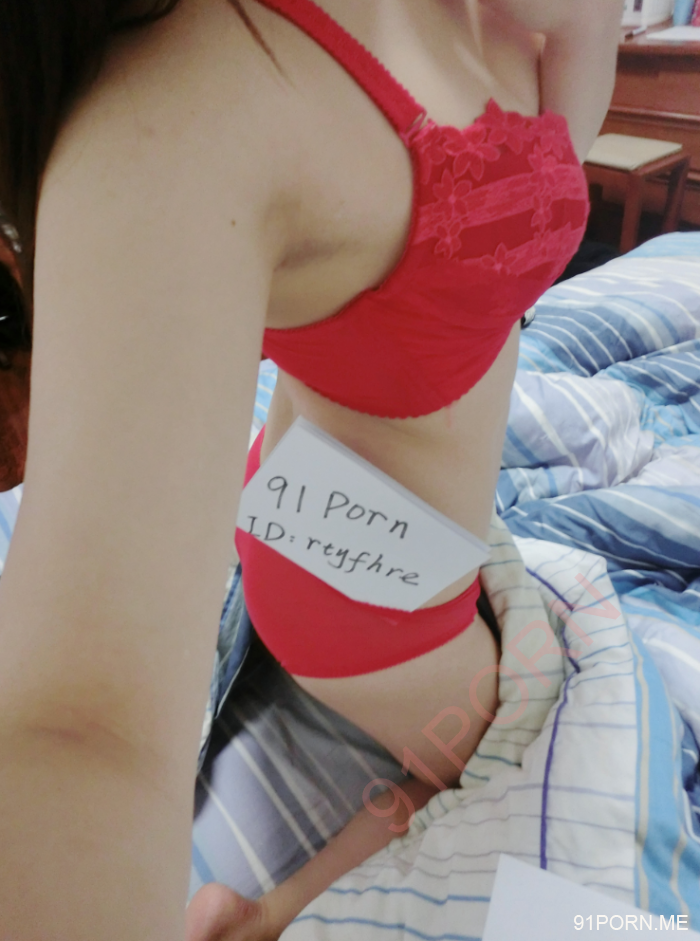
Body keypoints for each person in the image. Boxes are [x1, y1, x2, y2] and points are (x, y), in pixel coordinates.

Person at [0, 1, 624, 939]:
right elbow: (78, 732)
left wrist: (583, 22)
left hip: (332, 512)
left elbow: (562, 158)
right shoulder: (192, 103)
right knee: (515, 738)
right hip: (359, 602)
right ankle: (258, 916)